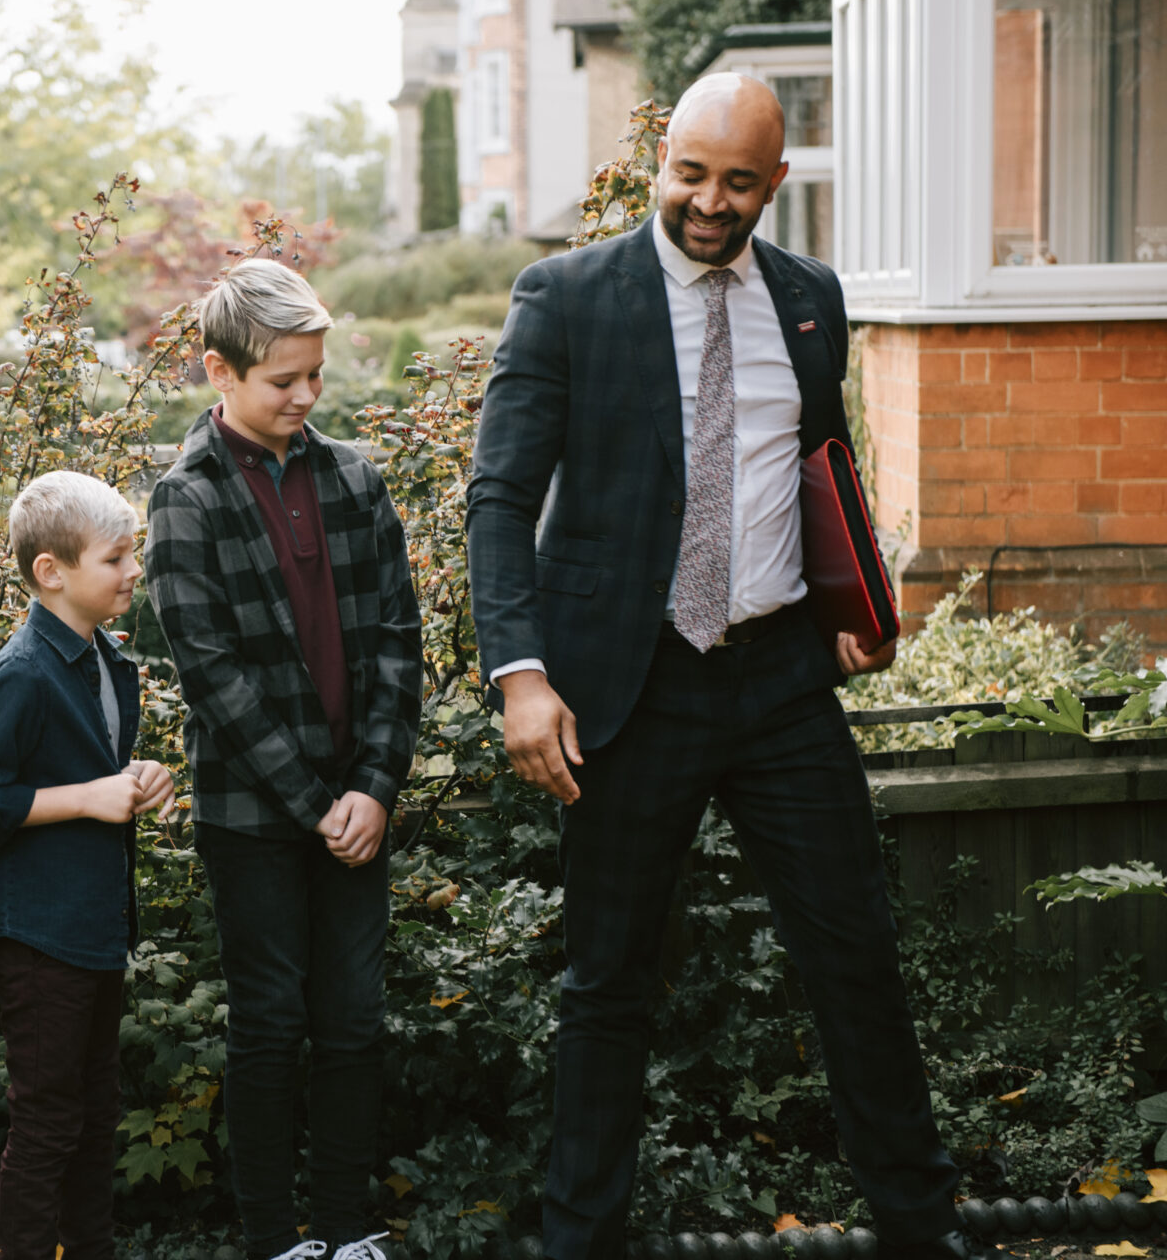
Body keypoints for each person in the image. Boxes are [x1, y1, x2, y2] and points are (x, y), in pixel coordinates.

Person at [466, 73, 982, 1260]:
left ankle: (921, 1230)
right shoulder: (567, 296)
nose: (708, 202)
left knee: (856, 957)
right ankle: (580, 1244)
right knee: (608, 986)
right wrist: (521, 674)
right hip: (627, 689)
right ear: (662, 161)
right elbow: (499, 497)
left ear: (776, 183)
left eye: (737, 182)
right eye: (690, 174)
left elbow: (818, 461)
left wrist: (850, 597)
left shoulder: (810, 301)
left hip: (780, 682)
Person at [144, 260, 423, 1260]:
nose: (306, 396)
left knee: (353, 1023)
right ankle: (274, 1240)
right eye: (283, 381)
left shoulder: (355, 478)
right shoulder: (186, 499)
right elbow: (211, 675)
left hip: (359, 807)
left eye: (316, 375)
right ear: (220, 371)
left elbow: (399, 640)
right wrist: (319, 801)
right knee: (269, 1024)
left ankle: (347, 1234)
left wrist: (373, 787)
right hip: (254, 818)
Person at [0, 469, 178, 1260]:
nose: (133, 570)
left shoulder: (107, 661)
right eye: (116, 558)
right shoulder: (23, 674)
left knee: (95, 1114)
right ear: (53, 572)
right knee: (47, 1123)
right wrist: (86, 799)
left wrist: (139, 780)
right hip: (38, 935)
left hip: (93, 923)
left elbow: (94, 769)